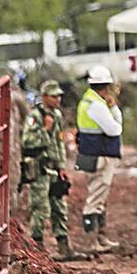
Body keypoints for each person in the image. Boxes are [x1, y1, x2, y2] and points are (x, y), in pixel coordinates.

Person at [21, 80, 87, 261]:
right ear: (44, 97)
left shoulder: (56, 115)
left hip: (53, 169)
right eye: (54, 96)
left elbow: (58, 143)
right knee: (40, 208)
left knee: (59, 207)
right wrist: (45, 129)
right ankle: (37, 249)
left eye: (59, 96)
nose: (58, 99)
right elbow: (28, 142)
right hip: (39, 168)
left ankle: (64, 247)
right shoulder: (35, 116)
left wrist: (61, 167)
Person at [76, 65, 123, 253]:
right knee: (95, 199)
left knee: (99, 199)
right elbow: (115, 129)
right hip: (101, 156)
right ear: (105, 86)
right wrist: (114, 108)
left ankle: (100, 238)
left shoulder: (88, 100)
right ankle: (91, 242)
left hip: (93, 155)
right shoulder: (97, 105)